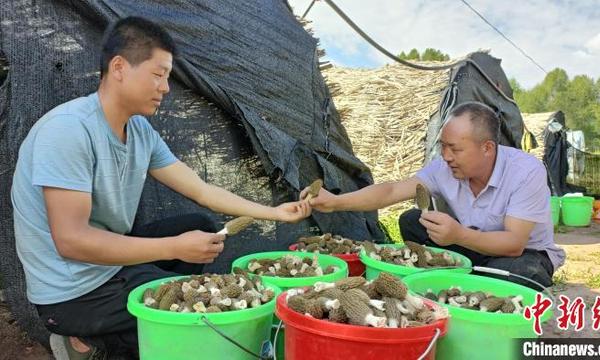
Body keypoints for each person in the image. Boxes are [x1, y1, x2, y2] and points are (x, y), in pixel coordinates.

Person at [11, 17, 311, 359]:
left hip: (110, 265)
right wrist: (173, 248)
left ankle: (124, 324)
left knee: (198, 227)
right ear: (120, 67)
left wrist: (272, 212)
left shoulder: (139, 131)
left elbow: (200, 188)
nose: (166, 87)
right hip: (71, 291)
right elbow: (72, 241)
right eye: (158, 74)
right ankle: (86, 342)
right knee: (184, 327)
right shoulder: (67, 131)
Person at [301, 101, 565, 290]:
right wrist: (336, 202)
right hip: (471, 245)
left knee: (519, 275)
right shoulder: (444, 167)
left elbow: (514, 243)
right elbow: (393, 190)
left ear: (487, 148)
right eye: (443, 147)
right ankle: (465, 274)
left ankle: (469, 277)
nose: (446, 156)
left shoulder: (525, 171)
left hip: (522, 254)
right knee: (412, 221)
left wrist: (458, 235)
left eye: (455, 149)